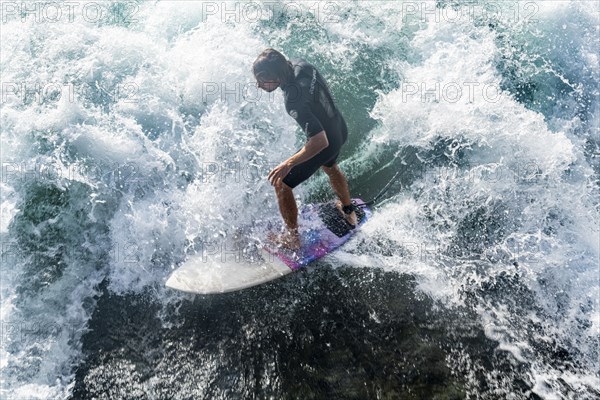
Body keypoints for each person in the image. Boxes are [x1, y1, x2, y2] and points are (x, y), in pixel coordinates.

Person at [253, 48, 357, 250]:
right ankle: (347, 209)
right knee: (330, 166)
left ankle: (293, 240)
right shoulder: (300, 64)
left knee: (282, 183)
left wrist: (287, 163)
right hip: (338, 126)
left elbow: (319, 141)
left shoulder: (294, 99)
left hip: (326, 140)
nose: (258, 85)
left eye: (262, 79)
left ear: (275, 76)